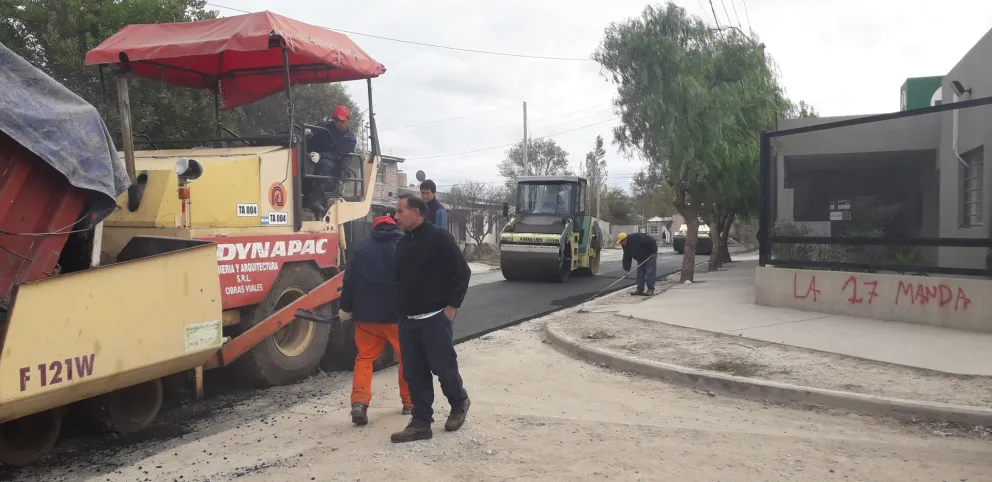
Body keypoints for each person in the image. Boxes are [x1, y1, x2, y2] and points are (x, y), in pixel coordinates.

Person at [390, 193, 471, 443]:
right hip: (408, 321)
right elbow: (399, 280)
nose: (395, 216)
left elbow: (463, 272)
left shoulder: (439, 238)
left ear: (416, 213)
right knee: (414, 373)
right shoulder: (402, 243)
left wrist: (452, 306)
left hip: (435, 318)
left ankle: (459, 402)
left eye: (400, 211)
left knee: (444, 370)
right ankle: (421, 423)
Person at [339, 214, 413, 425]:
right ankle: (409, 403)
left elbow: (349, 280)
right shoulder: (404, 246)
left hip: (366, 317)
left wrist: (346, 307)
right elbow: (413, 280)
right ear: (395, 227)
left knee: (364, 358)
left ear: (375, 228)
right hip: (397, 316)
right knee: (408, 358)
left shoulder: (362, 248)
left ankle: (359, 403)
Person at [305, 105, 357, 211]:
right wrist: (307, 132)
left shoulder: (350, 139)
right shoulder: (325, 126)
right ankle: (305, 193)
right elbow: (313, 132)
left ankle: (316, 200)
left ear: (348, 120)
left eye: (342, 121)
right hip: (316, 156)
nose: (339, 123)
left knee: (325, 165)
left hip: (337, 164)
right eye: (336, 120)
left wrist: (321, 155)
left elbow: (338, 154)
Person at [617, 232, 658, 296]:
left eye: (622, 241)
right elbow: (626, 256)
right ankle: (640, 289)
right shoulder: (625, 245)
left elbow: (651, 240)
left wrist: (654, 251)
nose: (621, 243)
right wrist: (626, 268)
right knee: (640, 274)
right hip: (640, 258)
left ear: (626, 239)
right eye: (620, 242)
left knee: (649, 272)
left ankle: (650, 289)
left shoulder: (637, 237)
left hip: (649, 256)